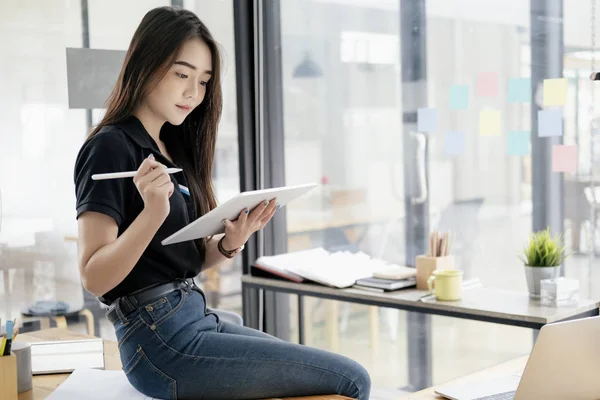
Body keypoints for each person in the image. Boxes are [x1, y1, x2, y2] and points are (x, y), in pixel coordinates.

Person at [73, 6, 370, 400]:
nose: (194, 93)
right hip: (158, 341)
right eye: (182, 74)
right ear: (144, 66)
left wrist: (230, 242)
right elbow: (94, 277)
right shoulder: (110, 146)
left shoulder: (170, 147)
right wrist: (153, 214)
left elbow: (181, 261)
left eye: (204, 80)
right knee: (352, 380)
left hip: (191, 316)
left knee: (325, 373)